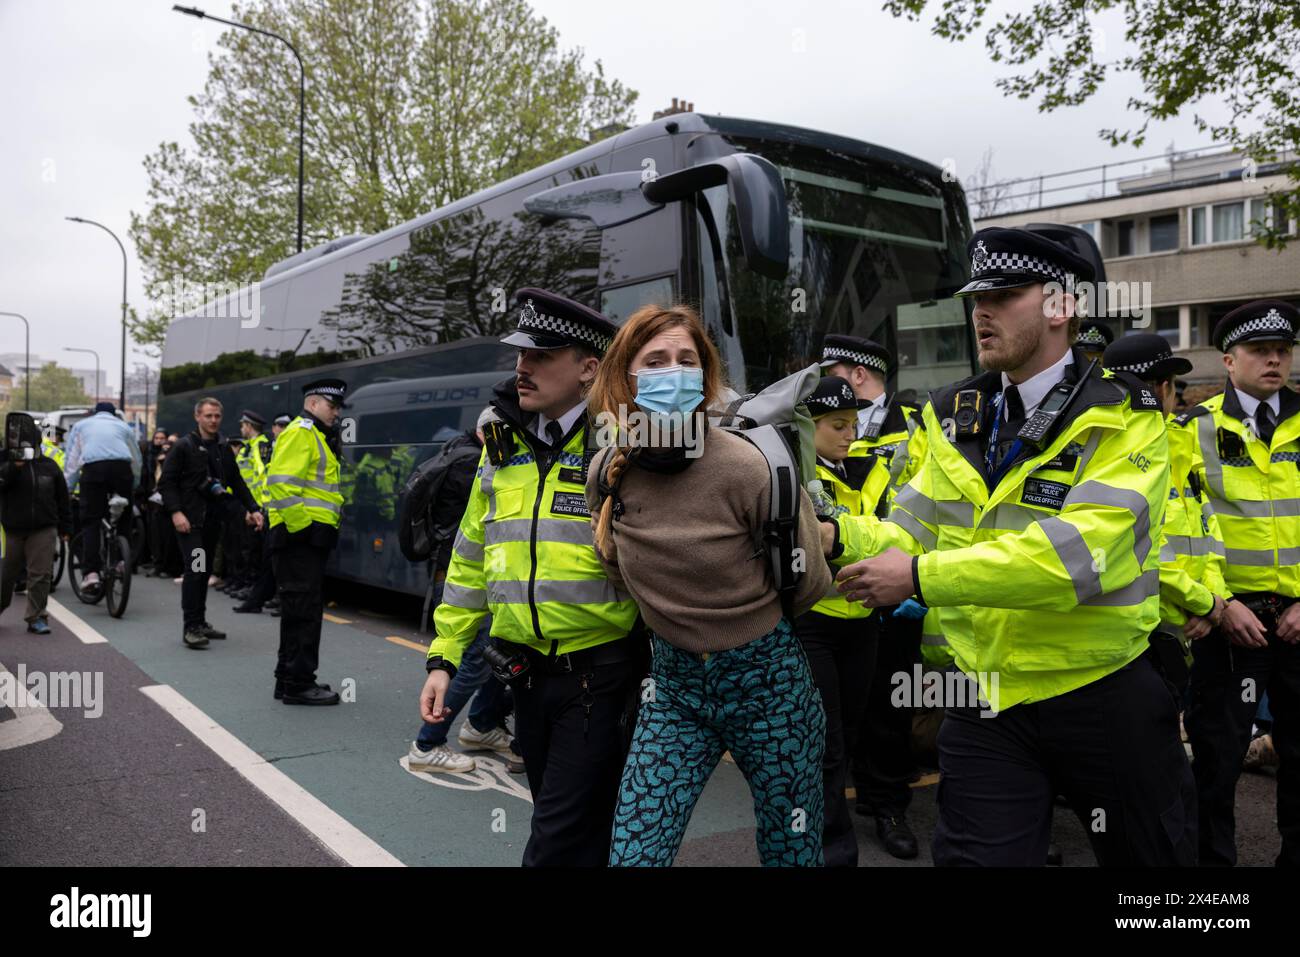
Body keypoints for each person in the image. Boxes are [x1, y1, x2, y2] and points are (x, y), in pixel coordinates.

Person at [828, 226, 1196, 866]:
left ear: (1062, 306)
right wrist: (833, 533)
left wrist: (919, 578)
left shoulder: (1125, 412)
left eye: (1003, 295)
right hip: (985, 697)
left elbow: (1079, 556)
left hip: (1100, 690)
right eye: (976, 297)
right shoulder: (953, 413)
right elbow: (909, 531)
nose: (981, 311)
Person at [587, 303, 831, 868]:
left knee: (792, 848)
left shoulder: (750, 469)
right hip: (672, 692)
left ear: (705, 377)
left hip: (771, 686)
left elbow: (808, 582)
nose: (673, 372)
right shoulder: (606, 471)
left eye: (686, 360)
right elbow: (616, 569)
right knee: (634, 854)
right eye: (655, 361)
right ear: (625, 378)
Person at [420, 289, 641, 866]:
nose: (523, 366)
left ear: (589, 368)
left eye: (542, 355)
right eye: (521, 353)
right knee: (566, 820)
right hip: (523, 674)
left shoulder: (621, 446)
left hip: (599, 674)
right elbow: (470, 556)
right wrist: (444, 657)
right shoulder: (502, 446)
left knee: (553, 838)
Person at [1180, 299, 1300, 867]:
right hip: (1232, 621)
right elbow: (1182, 527)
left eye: (1283, 350)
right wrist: (1221, 603)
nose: (1275, 360)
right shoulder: (1191, 431)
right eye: (1260, 351)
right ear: (1229, 360)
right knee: (1216, 762)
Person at [818, 334, 926, 858]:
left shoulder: (919, 421)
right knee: (834, 720)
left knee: (890, 710)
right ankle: (831, 813)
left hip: (898, 587)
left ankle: (886, 805)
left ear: (855, 373)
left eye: (830, 369)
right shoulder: (813, 416)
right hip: (836, 593)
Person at [795, 375, 890, 866]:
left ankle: (824, 833)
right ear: (805, 428)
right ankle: (832, 850)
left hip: (865, 619)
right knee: (826, 744)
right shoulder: (790, 472)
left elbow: (895, 534)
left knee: (848, 736)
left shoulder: (873, 470)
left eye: (854, 423)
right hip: (816, 623)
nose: (850, 434)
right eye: (837, 424)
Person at [1102, 334, 1228, 694]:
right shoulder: (1111, 448)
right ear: (1160, 389)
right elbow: (1143, 547)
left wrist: (1212, 601)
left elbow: (1207, 527)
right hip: (1144, 633)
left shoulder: (1177, 441)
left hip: (1187, 627)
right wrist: (1203, 604)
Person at [406, 407, 521, 774]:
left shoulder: (456, 450)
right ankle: (428, 743)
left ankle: (482, 725)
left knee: (499, 653)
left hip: (472, 568)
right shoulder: (476, 463)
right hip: (481, 573)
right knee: (474, 659)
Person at [266, 379, 348, 704]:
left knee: (298, 610)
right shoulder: (302, 433)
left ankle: (288, 679)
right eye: (333, 405)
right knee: (305, 612)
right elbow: (281, 485)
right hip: (299, 538)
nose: (337, 412)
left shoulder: (314, 435)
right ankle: (299, 684)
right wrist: (303, 530)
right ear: (313, 404)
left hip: (304, 538)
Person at [158, 398, 262, 649]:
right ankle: (190, 627)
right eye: (208, 416)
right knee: (195, 572)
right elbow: (167, 483)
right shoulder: (183, 446)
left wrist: (253, 508)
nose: (213, 420)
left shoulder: (223, 447)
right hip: (189, 524)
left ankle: (200, 622)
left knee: (203, 572)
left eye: (217, 416)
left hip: (212, 523)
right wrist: (176, 513)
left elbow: (236, 482)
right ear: (197, 417)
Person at [0, 419, 72, 634]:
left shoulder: (49, 466)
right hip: (12, 529)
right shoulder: (4, 461)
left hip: (43, 527)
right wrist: (14, 467)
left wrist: (65, 528)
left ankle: (36, 617)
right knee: (6, 576)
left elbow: (62, 498)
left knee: (40, 574)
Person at [63, 401, 141, 595]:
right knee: (125, 517)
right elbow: (136, 459)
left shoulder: (82, 426)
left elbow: (72, 460)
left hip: (94, 470)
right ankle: (122, 561)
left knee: (91, 521)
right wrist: (134, 484)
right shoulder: (123, 426)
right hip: (122, 471)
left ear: (94, 413)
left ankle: (91, 574)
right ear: (114, 414)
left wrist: (68, 488)